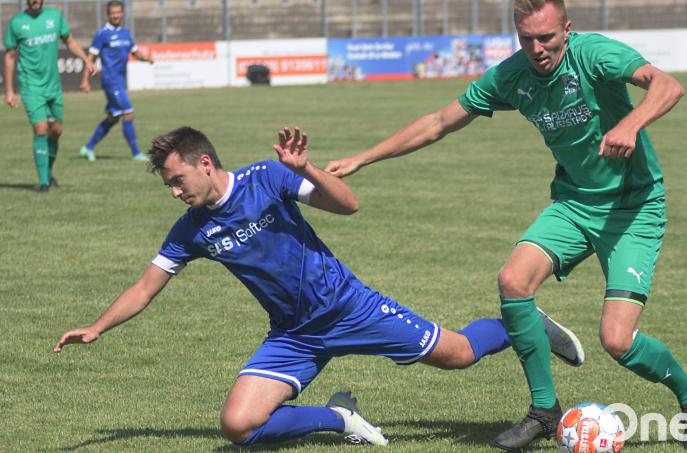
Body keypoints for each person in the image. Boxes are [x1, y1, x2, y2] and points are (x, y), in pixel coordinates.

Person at [325, 0, 687, 449]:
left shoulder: (595, 54)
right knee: (512, 281)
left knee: (617, 341)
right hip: (573, 204)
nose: (537, 48)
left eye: (546, 37)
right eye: (526, 38)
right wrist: (362, 157)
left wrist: (630, 124)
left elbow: (666, 86)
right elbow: (437, 122)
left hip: (632, 209)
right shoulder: (513, 75)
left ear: (566, 29)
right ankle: (545, 412)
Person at [54, 126, 584, 447]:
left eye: (176, 180)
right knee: (238, 426)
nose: (173, 192)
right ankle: (339, 419)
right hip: (293, 336)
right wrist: (97, 327)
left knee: (461, 354)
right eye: (169, 184)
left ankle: (523, 322)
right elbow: (145, 288)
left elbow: (348, 204)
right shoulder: (191, 230)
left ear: (205, 164)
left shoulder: (269, 178)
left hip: (351, 307)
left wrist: (306, 168)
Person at [4, 0, 97, 192]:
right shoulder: (17, 23)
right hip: (31, 87)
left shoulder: (54, 17)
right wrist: (10, 90)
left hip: (53, 87)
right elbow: (10, 56)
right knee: (41, 129)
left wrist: (86, 60)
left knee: (56, 131)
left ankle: (48, 171)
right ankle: (44, 182)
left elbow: (69, 41)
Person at [79, 0, 153, 162]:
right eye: (113, 13)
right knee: (128, 112)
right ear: (108, 14)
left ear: (122, 13)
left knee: (113, 118)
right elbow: (90, 58)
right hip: (110, 81)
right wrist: (85, 80)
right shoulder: (102, 34)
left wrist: (146, 58)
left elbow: (134, 52)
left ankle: (87, 148)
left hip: (121, 82)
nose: (116, 15)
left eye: (118, 12)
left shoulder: (125, 33)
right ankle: (136, 153)